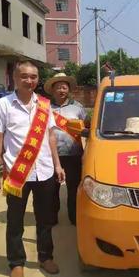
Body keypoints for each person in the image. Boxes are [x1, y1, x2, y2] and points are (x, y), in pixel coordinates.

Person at [0, 61, 65, 277]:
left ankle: (45, 257)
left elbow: (50, 137)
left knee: (45, 218)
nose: (29, 80)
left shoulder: (44, 104)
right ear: (15, 78)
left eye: (33, 77)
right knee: (15, 220)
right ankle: (16, 262)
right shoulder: (3, 105)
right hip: (17, 174)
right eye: (24, 76)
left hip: (44, 171)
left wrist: (58, 165)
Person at [44, 73, 87, 226]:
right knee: (51, 188)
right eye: (58, 87)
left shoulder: (78, 107)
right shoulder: (45, 108)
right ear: (52, 90)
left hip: (73, 154)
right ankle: (52, 217)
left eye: (64, 87)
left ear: (68, 89)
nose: (61, 90)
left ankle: (73, 217)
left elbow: (85, 128)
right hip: (51, 154)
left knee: (73, 187)